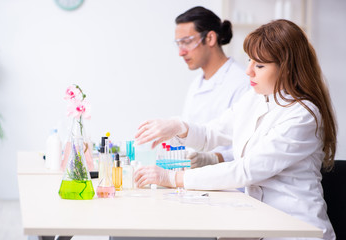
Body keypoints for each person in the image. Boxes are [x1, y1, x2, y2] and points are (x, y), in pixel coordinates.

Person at [134, 19, 337, 240]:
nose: (248, 71)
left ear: (286, 69)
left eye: (259, 65)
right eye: (249, 61)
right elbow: (214, 132)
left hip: (295, 229)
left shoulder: (303, 114)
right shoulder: (256, 98)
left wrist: (173, 178)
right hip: (259, 221)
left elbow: (247, 170)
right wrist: (179, 126)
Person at [174, 6, 249, 167]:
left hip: (230, 186)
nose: (181, 52)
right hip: (196, 182)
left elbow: (249, 151)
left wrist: (212, 158)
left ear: (210, 38)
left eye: (187, 42)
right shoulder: (196, 84)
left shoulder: (243, 83)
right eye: (179, 44)